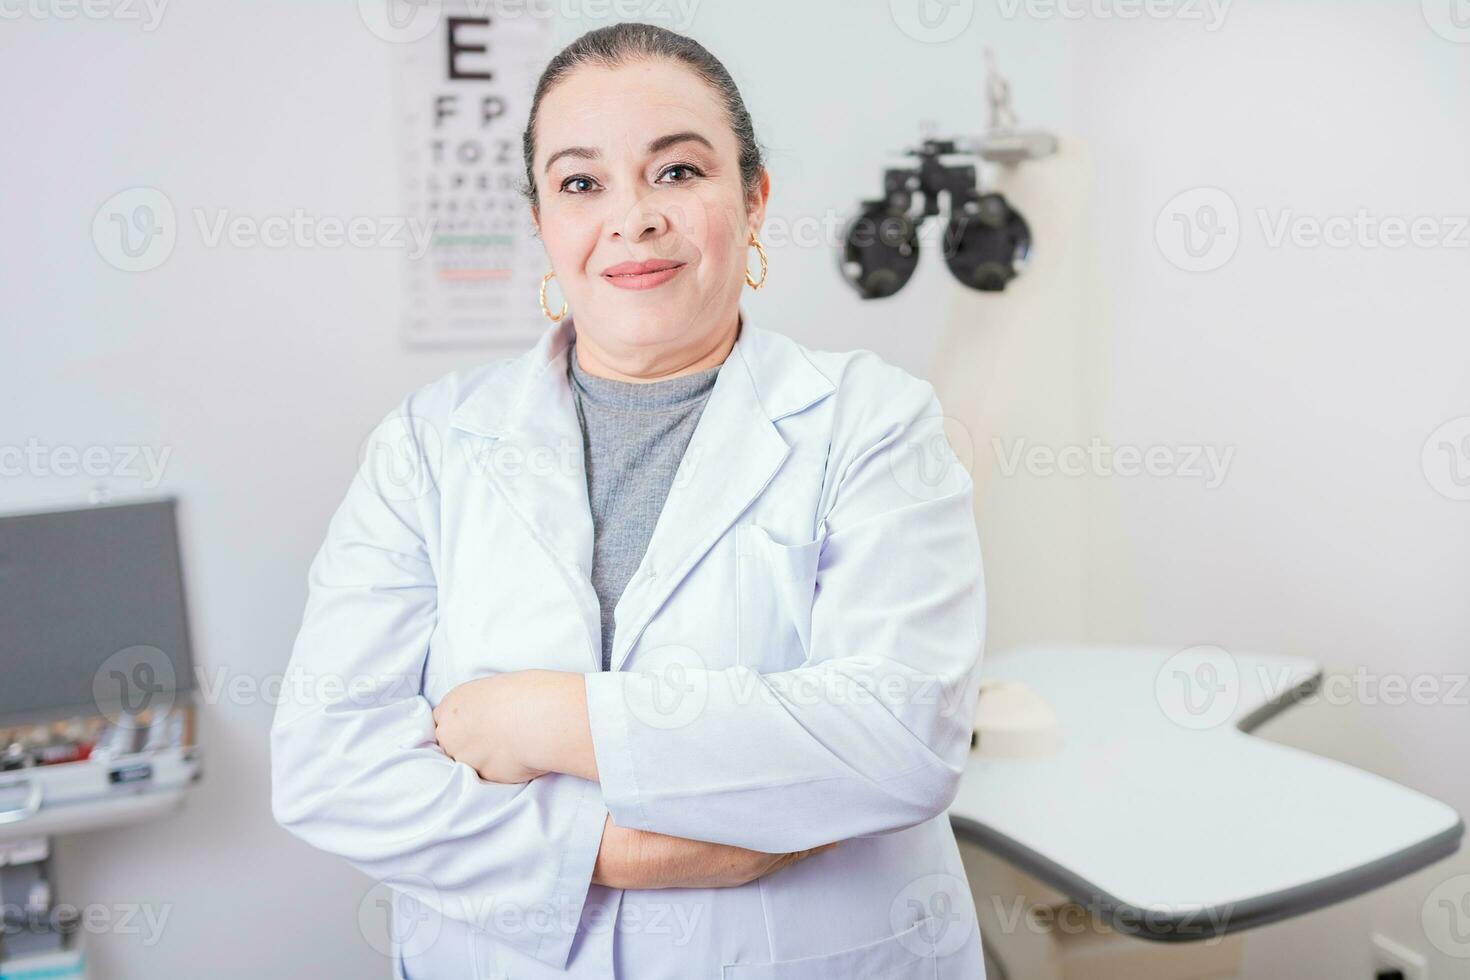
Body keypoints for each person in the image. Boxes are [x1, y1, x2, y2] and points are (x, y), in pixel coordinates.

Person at [270, 22, 987, 979]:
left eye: (679, 172)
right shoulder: (427, 445)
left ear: (754, 196)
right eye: (580, 183)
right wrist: (629, 855)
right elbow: (330, 765)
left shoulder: (873, 421)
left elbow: (897, 738)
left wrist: (535, 719)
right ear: (542, 222)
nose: (633, 216)